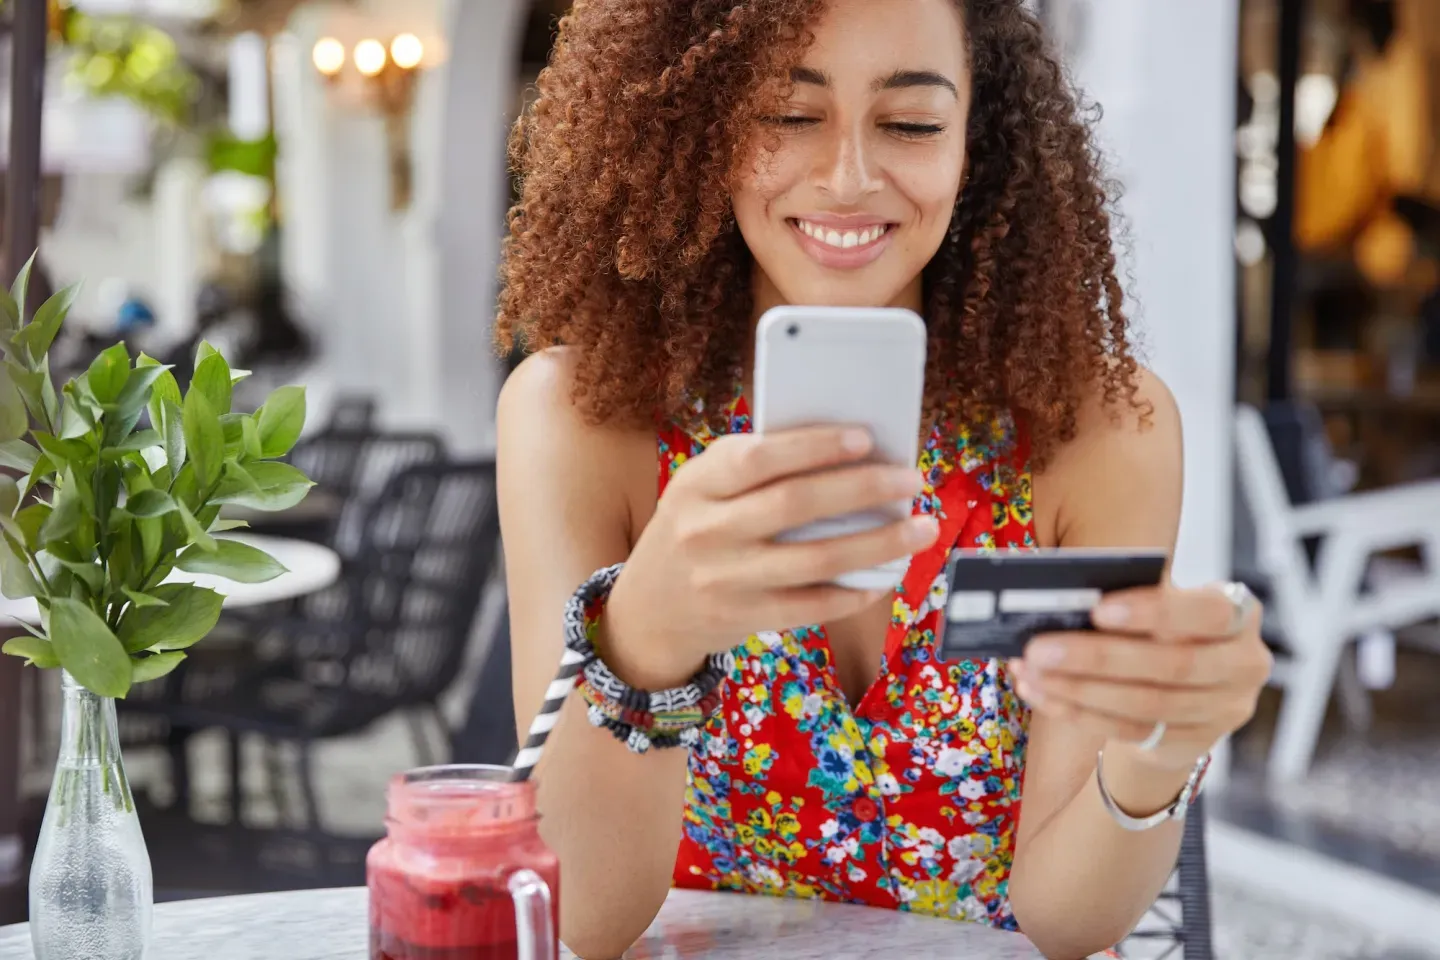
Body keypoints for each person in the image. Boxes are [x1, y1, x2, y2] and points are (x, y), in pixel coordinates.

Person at [494, 2, 1271, 958]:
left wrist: (1164, 740)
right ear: (696, 123)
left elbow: (1066, 921)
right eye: (787, 116)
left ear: (977, 144)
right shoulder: (580, 421)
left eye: (911, 124)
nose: (850, 178)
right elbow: (583, 920)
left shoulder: (1099, 431)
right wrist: (646, 637)